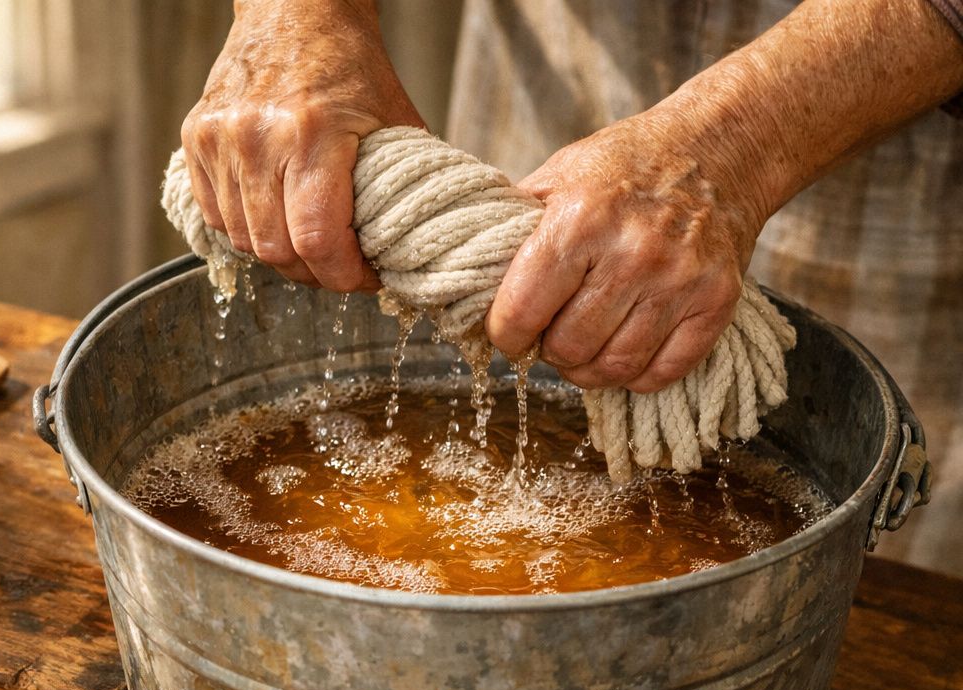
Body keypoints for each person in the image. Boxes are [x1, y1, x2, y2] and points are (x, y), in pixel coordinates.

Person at [179, 0, 963, 571]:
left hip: (895, 120)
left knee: (890, 589)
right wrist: (296, 14)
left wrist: (740, 141)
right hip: (551, 75)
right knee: (510, 334)